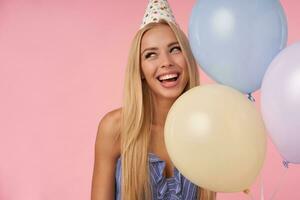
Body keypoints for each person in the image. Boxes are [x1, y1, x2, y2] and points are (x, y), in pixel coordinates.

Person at [91, 0, 217, 199]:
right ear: (140, 70)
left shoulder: (204, 128)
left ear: (189, 59)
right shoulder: (115, 128)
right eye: (151, 55)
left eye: (175, 49)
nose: (166, 62)